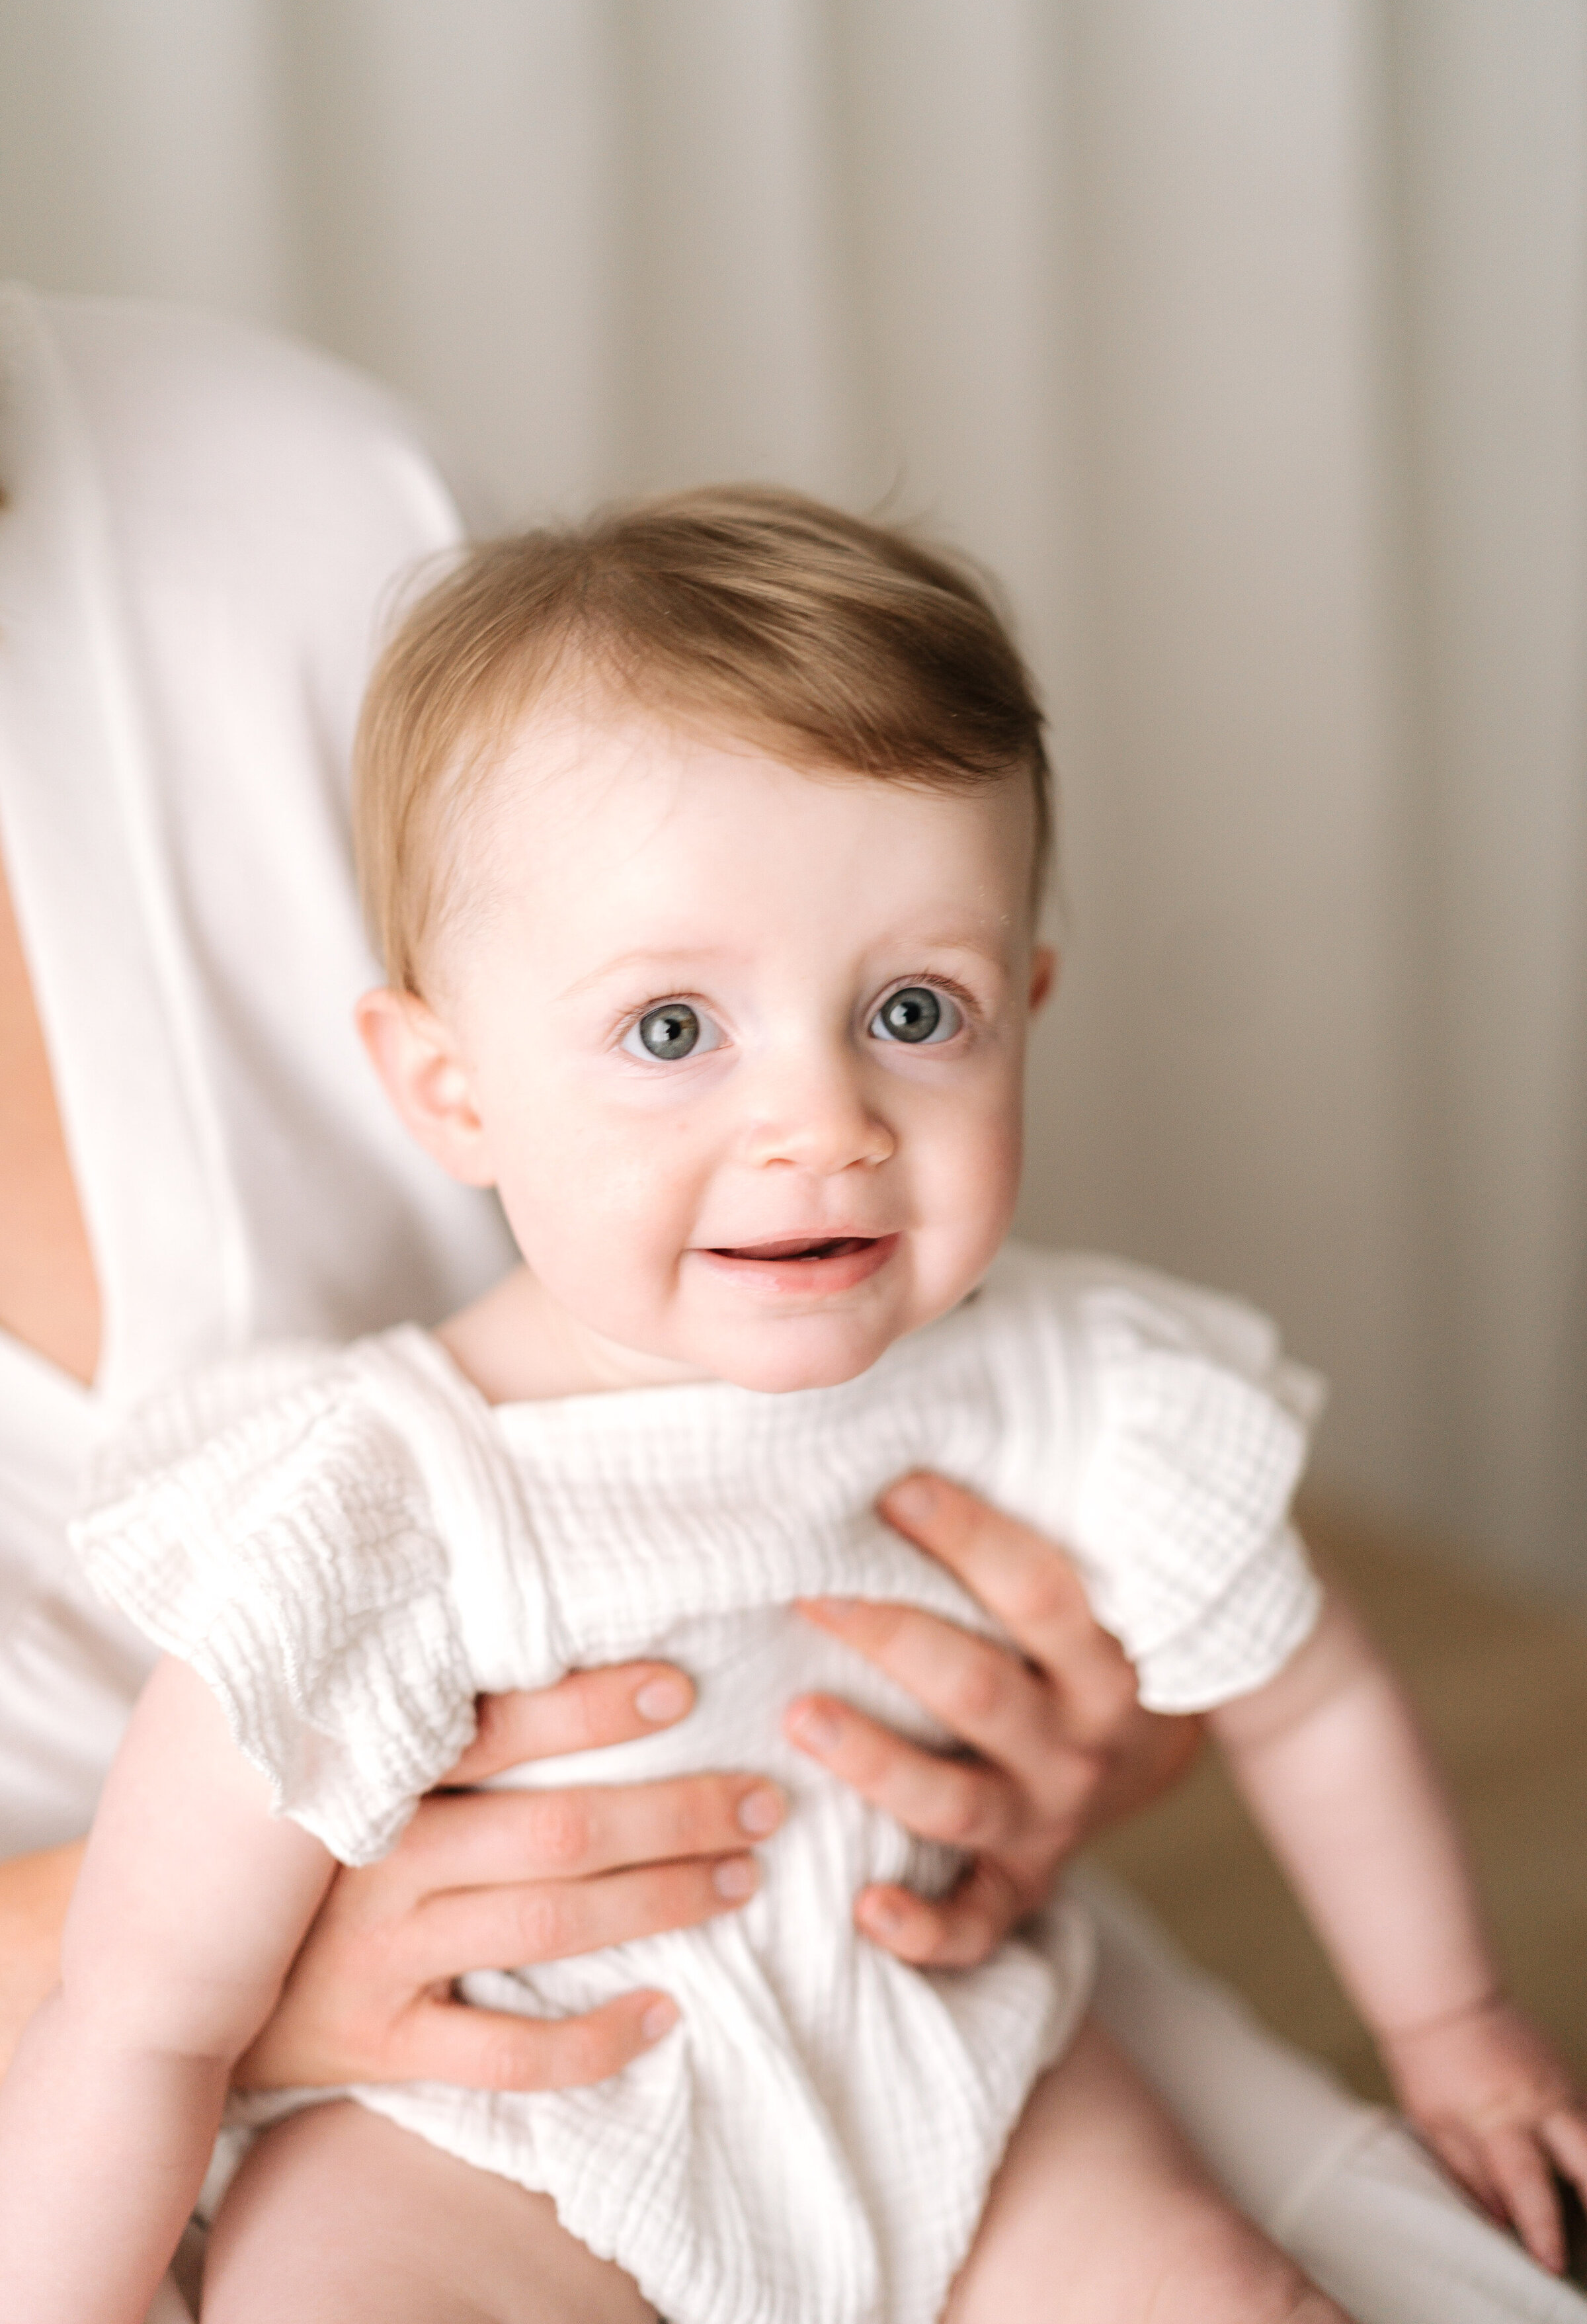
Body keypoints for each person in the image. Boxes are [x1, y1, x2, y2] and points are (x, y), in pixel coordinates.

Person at [0, 290, 1580, 2324]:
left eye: (913, 1013)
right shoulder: (380, 1505)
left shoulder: (1067, 1383)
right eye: (674, 1030)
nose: (819, 1123)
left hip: (946, 2045)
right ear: (448, 1089)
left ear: (1029, 1006)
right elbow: (138, 2023)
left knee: (1244, 2294)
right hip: (493, 2120)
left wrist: (1447, 2020)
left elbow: (1310, 1689)